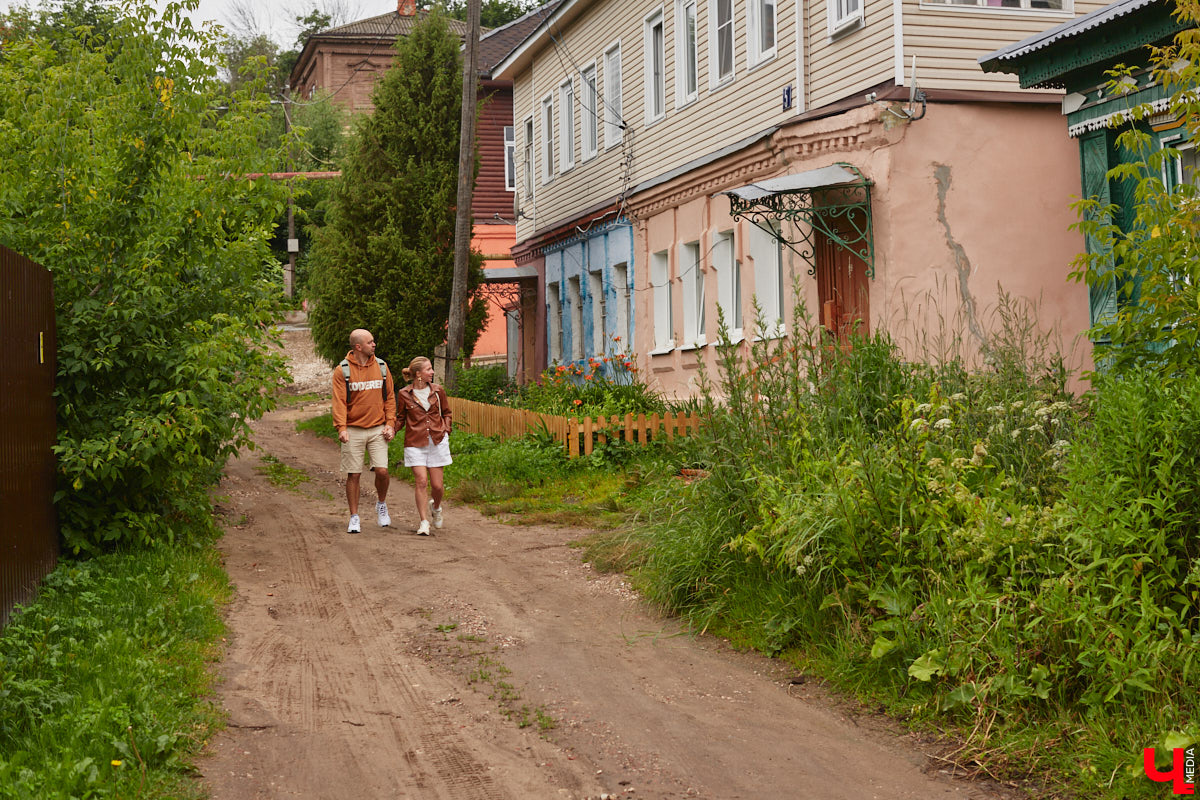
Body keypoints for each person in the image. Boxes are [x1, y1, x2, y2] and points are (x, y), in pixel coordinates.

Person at [332, 329, 396, 534]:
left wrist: (390, 423)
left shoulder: (382, 367)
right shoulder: (342, 371)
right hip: (353, 429)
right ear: (358, 347)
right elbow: (339, 402)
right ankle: (354, 517)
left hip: (378, 428)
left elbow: (390, 398)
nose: (374, 344)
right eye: (370, 342)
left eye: (374, 341)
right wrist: (341, 428)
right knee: (354, 474)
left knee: (382, 471)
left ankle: (381, 503)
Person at [396, 356, 452, 536]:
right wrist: (391, 430)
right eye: (429, 369)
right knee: (421, 481)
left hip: (436, 440)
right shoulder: (404, 394)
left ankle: (436, 507)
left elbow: (447, 413)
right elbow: (401, 418)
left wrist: (446, 429)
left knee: (437, 486)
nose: (432, 372)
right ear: (418, 374)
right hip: (414, 441)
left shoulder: (438, 391)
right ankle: (424, 522)